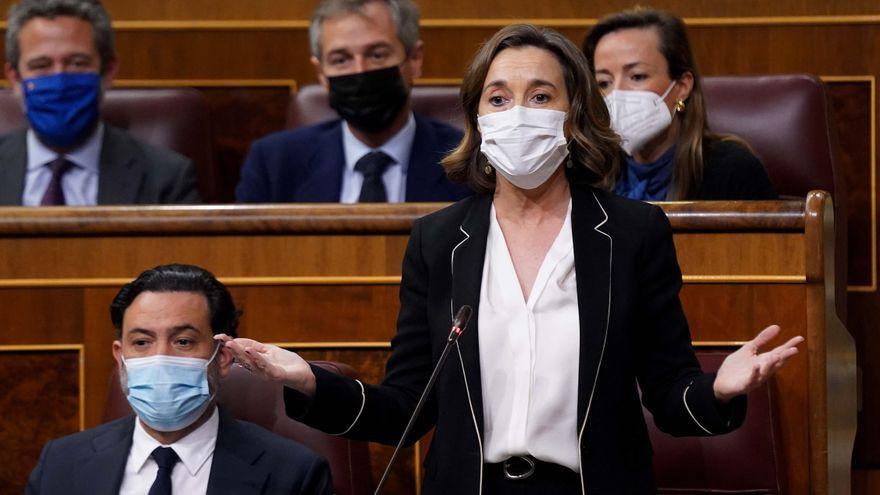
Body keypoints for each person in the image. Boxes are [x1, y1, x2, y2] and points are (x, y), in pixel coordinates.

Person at [219, 25, 803, 494]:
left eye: (541, 96)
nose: (518, 112)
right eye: (499, 98)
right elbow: (405, 409)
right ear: (478, 118)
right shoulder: (438, 240)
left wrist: (719, 391)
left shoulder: (631, 232)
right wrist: (307, 381)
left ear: (574, 114)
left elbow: (670, 395)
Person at [27, 264, 332, 495]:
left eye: (183, 341)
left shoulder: (292, 474)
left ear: (223, 357)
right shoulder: (61, 464)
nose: (159, 358)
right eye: (142, 342)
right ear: (120, 356)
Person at [235, 0, 469, 203]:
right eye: (341, 60)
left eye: (377, 55)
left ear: (415, 60)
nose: (360, 71)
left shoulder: (469, 163)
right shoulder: (273, 163)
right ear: (321, 73)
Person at [0, 0, 200, 206]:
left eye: (77, 62)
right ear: (15, 78)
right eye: (41, 65)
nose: (59, 80)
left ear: (108, 71)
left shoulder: (167, 177)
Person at [582, 7, 777, 201]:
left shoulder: (732, 169)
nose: (617, 93)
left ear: (682, 86)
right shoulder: (590, 171)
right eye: (604, 83)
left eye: (637, 76)